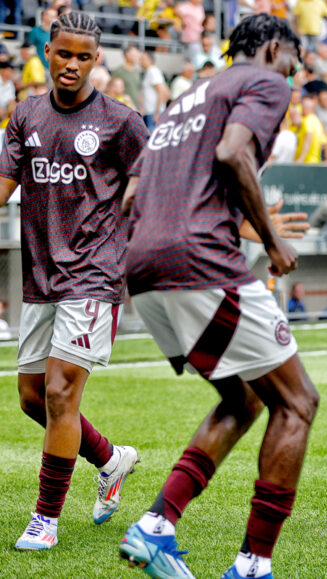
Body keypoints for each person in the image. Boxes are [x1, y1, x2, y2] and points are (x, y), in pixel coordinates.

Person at [120, 15, 319, 579]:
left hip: (146, 265)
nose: (293, 76)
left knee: (245, 398)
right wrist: (274, 239)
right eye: (294, 63)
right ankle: (253, 567)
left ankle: (156, 526)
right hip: (199, 259)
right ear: (275, 49)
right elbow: (234, 154)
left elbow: (132, 191)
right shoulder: (265, 81)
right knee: (297, 402)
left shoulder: (186, 96)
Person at [0, 13, 150, 551]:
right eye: (64, 54)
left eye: (83, 57)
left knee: (61, 394)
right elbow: (3, 185)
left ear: (96, 59)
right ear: (47, 51)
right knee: (30, 397)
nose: (72, 64)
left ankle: (45, 520)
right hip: (40, 276)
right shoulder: (26, 115)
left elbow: (149, 190)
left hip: (94, 274)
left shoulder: (121, 121)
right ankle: (111, 459)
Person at [140, 50, 169, 130]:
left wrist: (158, 112)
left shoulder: (153, 71)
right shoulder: (149, 72)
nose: (140, 61)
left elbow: (162, 91)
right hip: (150, 112)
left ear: (150, 60)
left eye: (142, 59)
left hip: (154, 113)